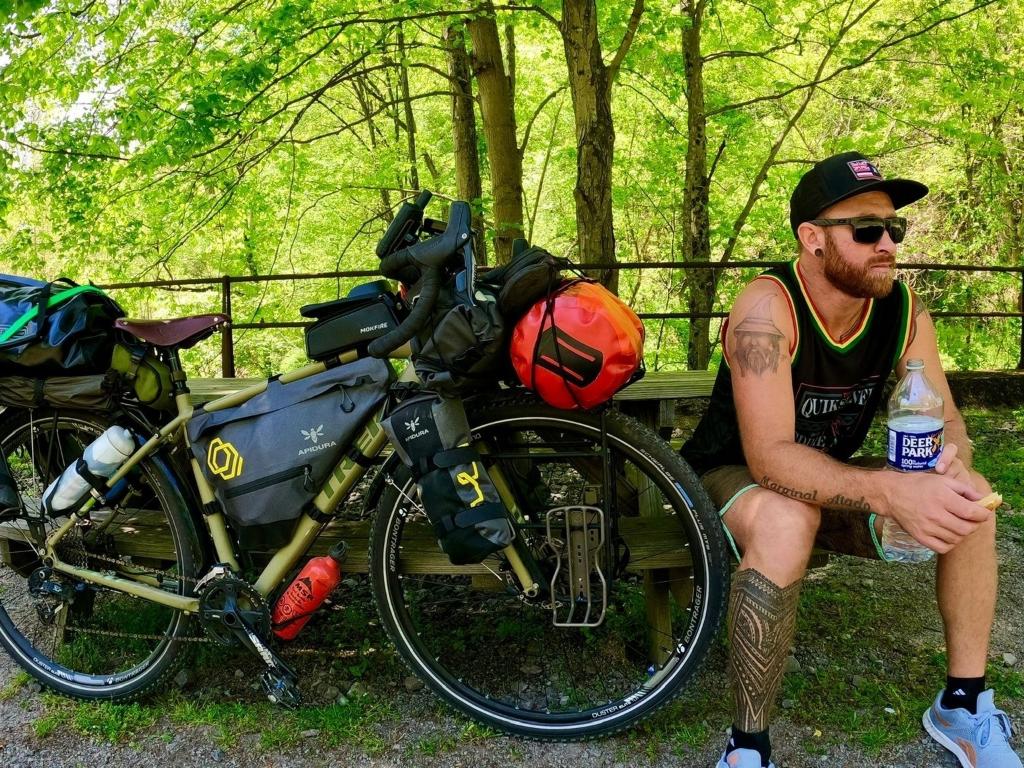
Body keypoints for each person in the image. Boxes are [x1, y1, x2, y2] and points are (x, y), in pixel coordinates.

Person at [681, 151, 1022, 768]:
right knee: (788, 517)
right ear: (812, 238)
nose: (887, 243)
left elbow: (948, 419)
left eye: (895, 229)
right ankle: (748, 745)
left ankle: (963, 704)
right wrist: (890, 492)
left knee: (971, 495)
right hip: (726, 476)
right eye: (866, 230)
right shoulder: (766, 310)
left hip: (820, 473)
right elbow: (771, 461)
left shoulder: (903, 309)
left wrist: (949, 461)